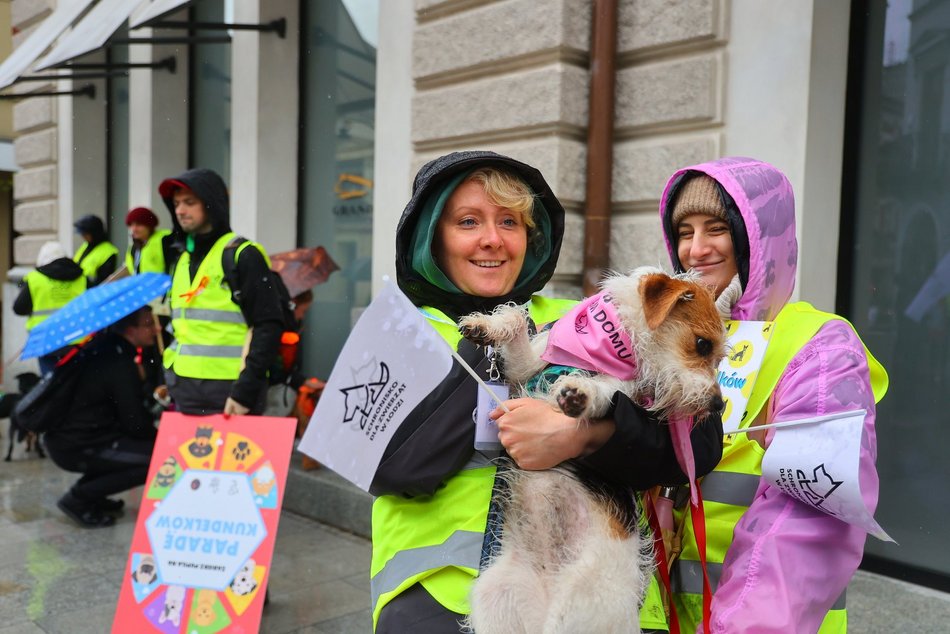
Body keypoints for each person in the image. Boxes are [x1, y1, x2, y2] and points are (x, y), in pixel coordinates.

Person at [371, 150, 725, 633]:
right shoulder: (400, 329)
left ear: (531, 237)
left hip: (602, 596)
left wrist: (588, 435)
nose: (492, 240)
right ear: (433, 236)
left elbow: (698, 446)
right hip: (446, 598)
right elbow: (390, 466)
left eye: (511, 222)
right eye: (468, 221)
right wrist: (489, 356)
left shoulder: (584, 320)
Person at [659, 158, 888, 633]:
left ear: (757, 239)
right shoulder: (674, 338)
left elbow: (809, 520)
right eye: (684, 231)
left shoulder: (820, 347)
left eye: (716, 228)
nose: (696, 250)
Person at [158, 168, 284, 416]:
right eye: (176, 204)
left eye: (189, 202)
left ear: (210, 204)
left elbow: (268, 325)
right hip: (184, 390)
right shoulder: (182, 258)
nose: (180, 210)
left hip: (231, 393)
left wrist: (245, 392)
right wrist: (168, 378)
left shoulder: (243, 254)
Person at [44, 307, 160, 528]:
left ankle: (93, 495)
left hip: (70, 438)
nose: (157, 329)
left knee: (137, 451)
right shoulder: (119, 362)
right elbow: (134, 423)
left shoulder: (104, 348)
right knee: (157, 459)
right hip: (79, 445)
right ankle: (79, 498)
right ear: (130, 329)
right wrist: (159, 438)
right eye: (148, 324)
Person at [13, 242, 87, 375]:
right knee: (75, 384)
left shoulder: (34, 278)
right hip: (76, 339)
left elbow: (18, 308)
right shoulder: (81, 278)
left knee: (50, 384)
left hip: (45, 340)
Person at [125, 206, 174, 275]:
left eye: (138, 224)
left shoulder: (165, 240)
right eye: (131, 225)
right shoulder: (133, 248)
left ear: (149, 225)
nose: (134, 229)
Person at [73, 214, 119, 287]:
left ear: (94, 233)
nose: (83, 237)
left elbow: (104, 281)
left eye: (85, 234)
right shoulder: (86, 245)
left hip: (93, 292)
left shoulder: (109, 251)